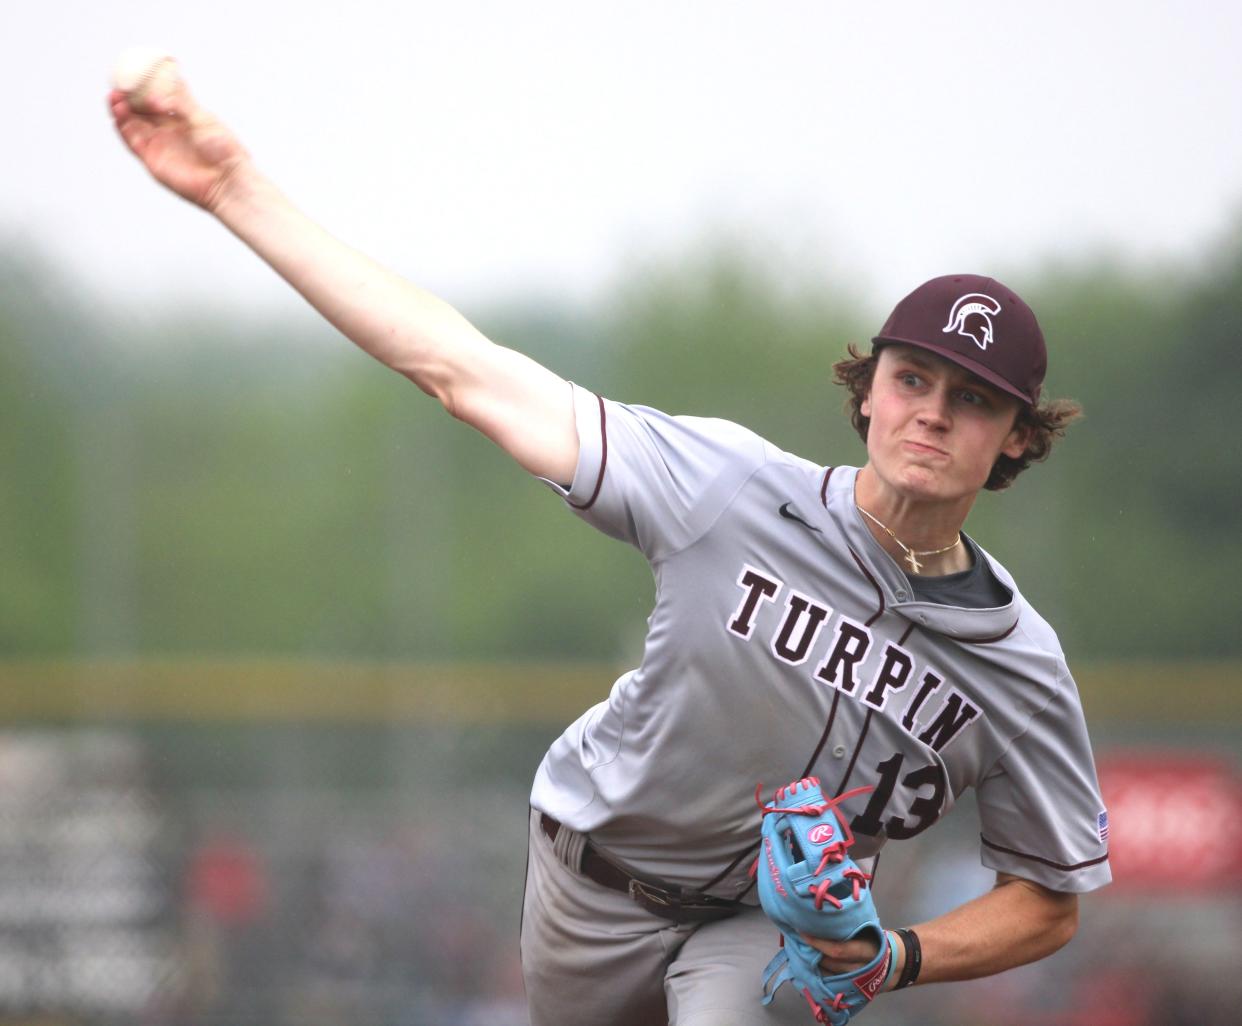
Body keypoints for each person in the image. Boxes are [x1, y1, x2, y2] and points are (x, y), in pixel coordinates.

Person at [110, 70, 1111, 1026]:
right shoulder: (726, 488)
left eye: (973, 400)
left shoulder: (1019, 666)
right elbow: (466, 372)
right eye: (913, 380)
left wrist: (902, 956)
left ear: (1019, 436)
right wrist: (234, 190)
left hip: (765, 931)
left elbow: (1050, 895)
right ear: (867, 389)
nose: (932, 416)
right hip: (591, 882)